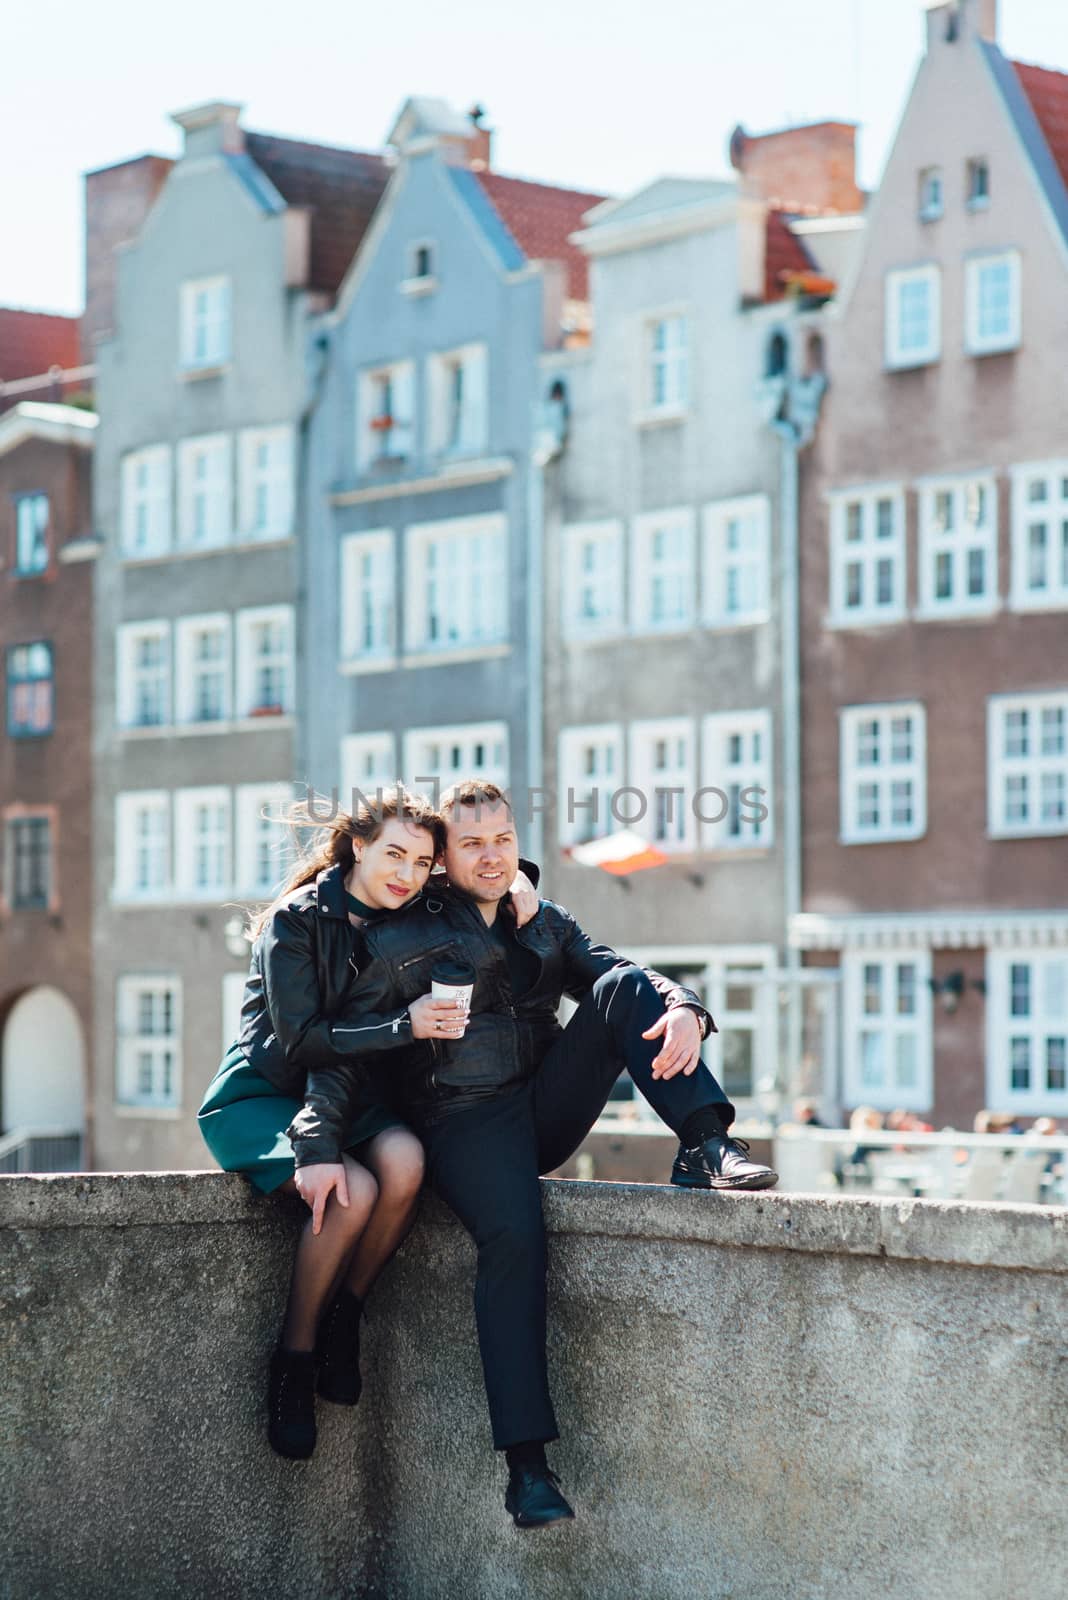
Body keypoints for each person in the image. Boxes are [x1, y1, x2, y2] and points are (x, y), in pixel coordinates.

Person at [286, 781, 777, 1527]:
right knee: (516, 1240)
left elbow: (616, 970)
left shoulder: (542, 920)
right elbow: (339, 1062)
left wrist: (683, 1005)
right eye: (473, 844)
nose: (492, 856)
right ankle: (527, 1471)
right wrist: (317, 1143)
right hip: (464, 1121)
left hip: (542, 1109)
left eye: (503, 841)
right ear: (444, 858)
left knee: (619, 988)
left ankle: (708, 1143)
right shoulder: (394, 941)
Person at [197, 786, 538, 1460]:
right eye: (393, 855)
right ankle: (294, 1356)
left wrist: (526, 883)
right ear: (357, 846)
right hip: (264, 1091)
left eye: (419, 862)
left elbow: (484, 872)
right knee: (352, 1192)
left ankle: (347, 1311)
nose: (406, 875)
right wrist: (401, 1025)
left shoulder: (412, 912)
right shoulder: (293, 924)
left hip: (349, 1097)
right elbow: (300, 1045)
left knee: (406, 1162)